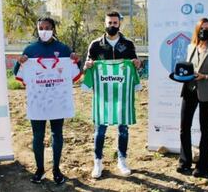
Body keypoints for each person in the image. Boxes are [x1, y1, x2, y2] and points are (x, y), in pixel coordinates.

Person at [14, 17, 80, 185]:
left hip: (58, 100)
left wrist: (75, 60)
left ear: (53, 29)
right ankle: (40, 169)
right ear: (37, 29)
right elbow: (17, 74)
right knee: (38, 135)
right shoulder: (30, 49)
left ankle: (57, 169)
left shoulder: (63, 49)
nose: (44, 30)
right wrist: (19, 62)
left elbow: (75, 72)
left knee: (57, 133)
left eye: (47, 27)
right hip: (38, 101)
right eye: (41, 27)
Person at [83, 11, 142, 178]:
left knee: (123, 129)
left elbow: (136, 65)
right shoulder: (95, 45)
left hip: (123, 95)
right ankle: (97, 162)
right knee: (100, 129)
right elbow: (87, 67)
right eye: (109, 23)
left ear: (119, 24)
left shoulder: (128, 44)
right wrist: (87, 66)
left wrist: (137, 64)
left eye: (115, 23)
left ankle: (122, 160)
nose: (112, 26)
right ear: (105, 23)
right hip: (103, 96)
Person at [176, 18, 208, 177]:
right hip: (189, 90)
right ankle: (184, 162)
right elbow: (189, 68)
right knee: (184, 127)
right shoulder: (191, 46)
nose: (204, 31)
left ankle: (203, 167)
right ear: (197, 30)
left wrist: (204, 76)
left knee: (205, 129)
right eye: (202, 28)